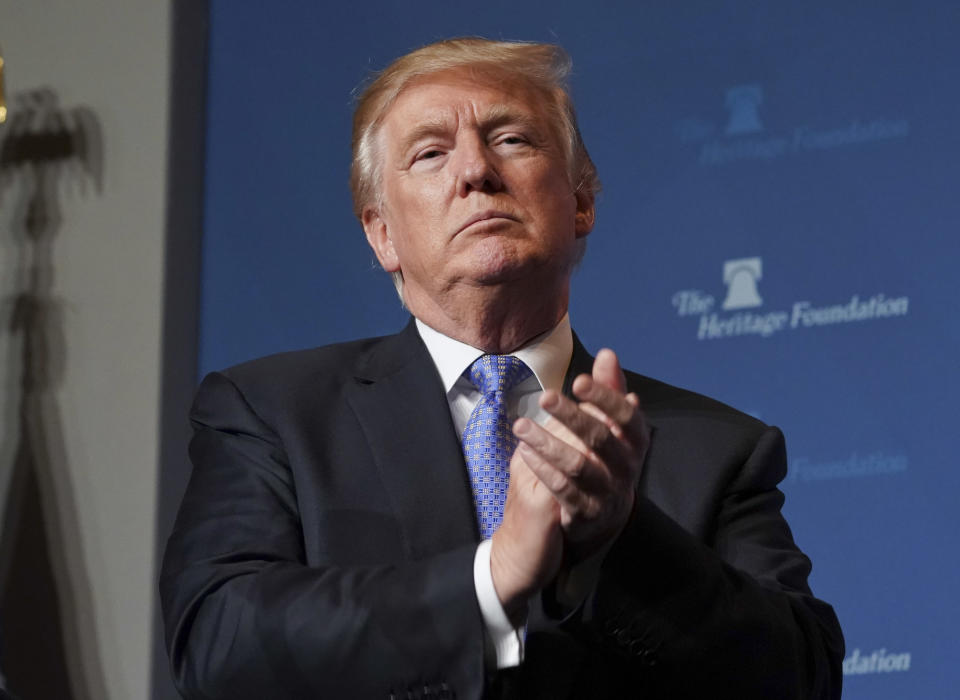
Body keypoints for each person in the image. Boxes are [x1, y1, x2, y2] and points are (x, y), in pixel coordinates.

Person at [160, 38, 844, 699]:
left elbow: (801, 679)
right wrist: (494, 575)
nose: (475, 171)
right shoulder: (272, 413)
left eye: (512, 139)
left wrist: (618, 538)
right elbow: (217, 643)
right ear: (382, 234)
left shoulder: (716, 450)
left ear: (580, 204)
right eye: (430, 153)